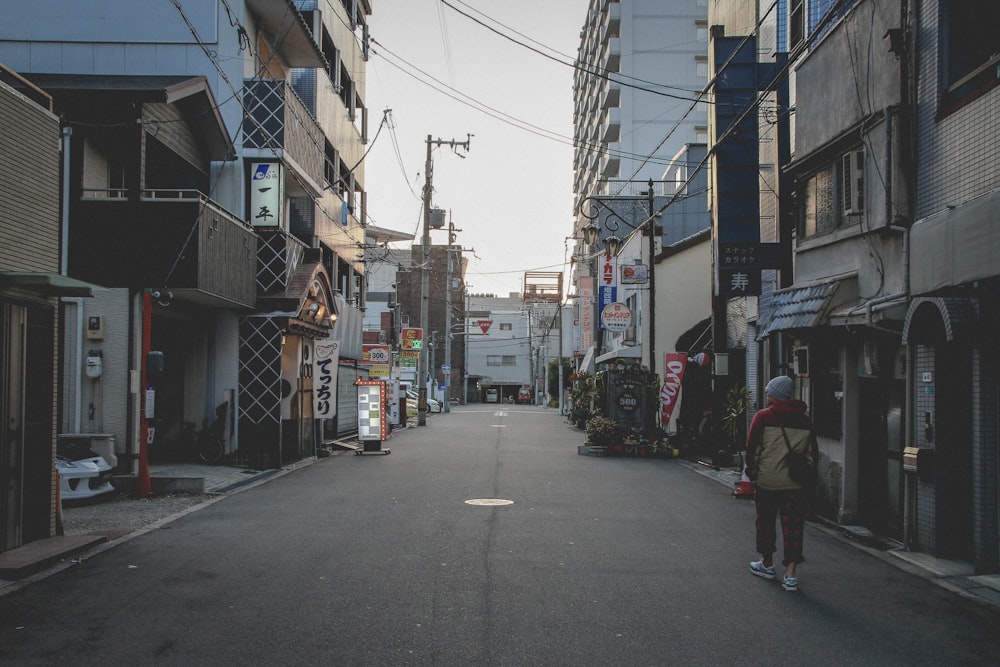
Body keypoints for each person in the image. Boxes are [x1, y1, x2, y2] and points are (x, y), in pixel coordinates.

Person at [744, 375, 818, 592]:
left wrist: (754, 472)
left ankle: (767, 564)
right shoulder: (805, 421)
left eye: (769, 391)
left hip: (767, 482)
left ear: (774, 395)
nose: (767, 394)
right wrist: (805, 476)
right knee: (794, 527)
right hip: (795, 484)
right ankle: (791, 574)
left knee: (765, 523)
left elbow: (752, 449)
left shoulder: (764, 417)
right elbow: (812, 454)